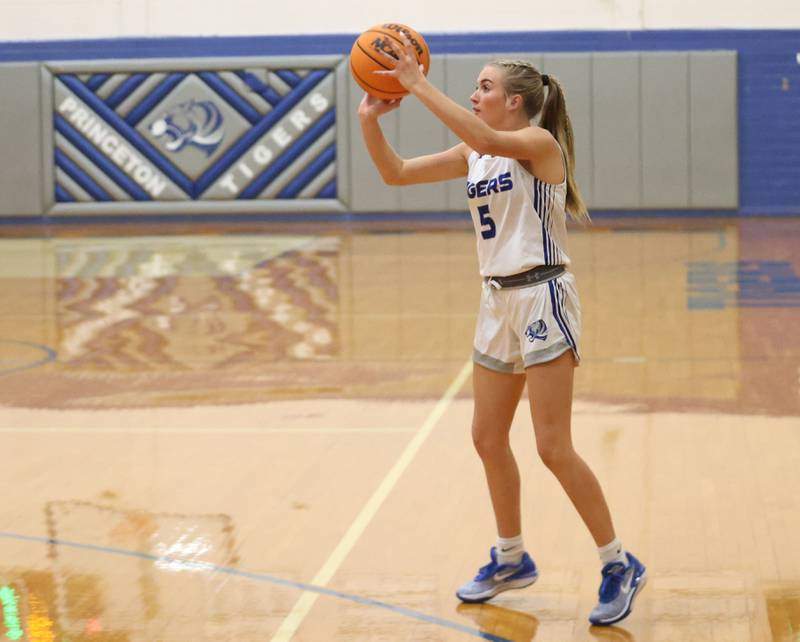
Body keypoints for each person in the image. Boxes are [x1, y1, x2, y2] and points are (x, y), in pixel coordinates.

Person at [356, 33, 647, 627]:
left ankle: (619, 563)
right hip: (496, 302)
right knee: (487, 438)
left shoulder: (537, 144)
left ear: (514, 101)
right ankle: (512, 558)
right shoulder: (475, 154)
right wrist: (369, 119)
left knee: (551, 445)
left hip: (542, 295)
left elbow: (485, 135)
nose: (475, 93)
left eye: (485, 87)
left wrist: (415, 82)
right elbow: (395, 173)